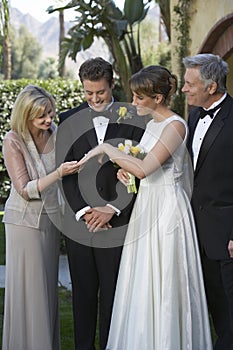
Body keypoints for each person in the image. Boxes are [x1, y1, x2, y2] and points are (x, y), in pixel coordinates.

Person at [77, 65, 213, 349]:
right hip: (146, 205)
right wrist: (124, 173)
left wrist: (108, 150)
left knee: (165, 280)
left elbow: (145, 168)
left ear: (158, 98)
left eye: (139, 97)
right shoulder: (151, 125)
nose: (134, 102)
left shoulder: (175, 126)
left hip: (166, 211)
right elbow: (139, 174)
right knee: (141, 279)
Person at [56, 57, 145, 350]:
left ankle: (110, 345)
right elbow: (66, 174)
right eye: (88, 93)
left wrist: (115, 209)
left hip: (118, 221)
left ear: (112, 86)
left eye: (101, 93)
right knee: (82, 292)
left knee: (113, 292)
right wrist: (85, 212)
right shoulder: (68, 119)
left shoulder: (135, 116)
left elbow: (140, 171)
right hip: (80, 222)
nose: (94, 99)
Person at [1, 84, 79, 350]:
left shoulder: (56, 133)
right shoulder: (13, 140)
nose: (49, 120)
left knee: (46, 290)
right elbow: (24, 190)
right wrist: (58, 173)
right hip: (23, 224)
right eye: (41, 116)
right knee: (28, 290)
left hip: (51, 220)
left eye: (50, 112)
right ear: (25, 115)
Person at [182, 53, 233, 350]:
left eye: (190, 84)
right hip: (198, 232)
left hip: (226, 234)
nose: (185, 89)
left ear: (211, 86)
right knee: (215, 308)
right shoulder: (193, 116)